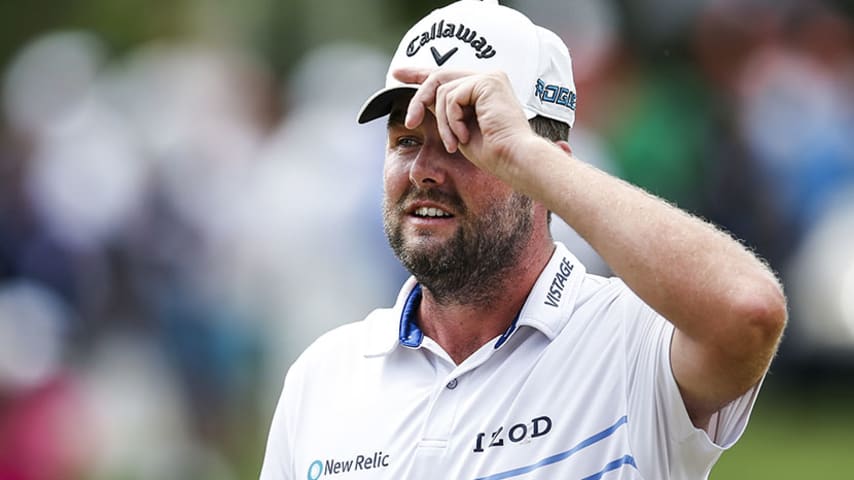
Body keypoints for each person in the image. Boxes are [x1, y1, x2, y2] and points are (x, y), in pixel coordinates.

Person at [259, 1, 787, 479]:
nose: (421, 170)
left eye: (462, 140)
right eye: (404, 141)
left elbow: (750, 310)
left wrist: (524, 155)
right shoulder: (323, 376)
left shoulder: (631, 343)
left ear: (543, 170)